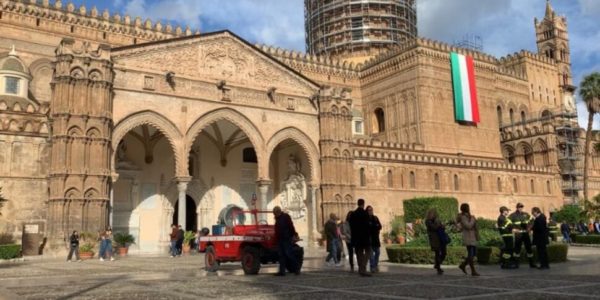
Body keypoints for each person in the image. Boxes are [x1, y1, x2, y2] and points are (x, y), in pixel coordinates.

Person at [273, 206, 300, 276]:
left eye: (275, 213)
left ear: (277, 212)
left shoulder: (285, 217)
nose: (274, 215)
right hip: (280, 239)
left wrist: (294, 234)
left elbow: (291, 226)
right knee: (281, 256)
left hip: (286, 238)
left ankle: (297, 268)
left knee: (289, 254)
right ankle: (282, 271)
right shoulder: (277, 218)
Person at [349, 199, 372, 277]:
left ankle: (361, 269)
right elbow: (368, 226)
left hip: (356, 237)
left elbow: (351, 225)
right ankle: (363, 267)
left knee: (359, 253)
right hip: (364, 237)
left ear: (357, 203)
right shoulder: (365, 213)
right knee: (369, 251)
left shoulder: (353, 214)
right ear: (363, 204)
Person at [509, 203, 536, 268]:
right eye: (519, 207)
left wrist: (530, 228)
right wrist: (512, 229)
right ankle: (516, 264)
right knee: (517, 249)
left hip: (526, 234)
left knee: (529, 248)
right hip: (518, 234)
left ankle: (531, 264)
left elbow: (532, 221)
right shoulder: (512, 215)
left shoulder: (526, 214)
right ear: (517, 207)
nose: (521, 208)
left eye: (521, 207)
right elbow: (508, 224)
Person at [456, 203, 480, 276]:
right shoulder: (463, 217)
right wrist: (473, 219)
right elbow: (468, 226)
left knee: (474, 253)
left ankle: (463, 265)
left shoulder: (468, 216)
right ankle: (473, 271)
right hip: (468, 237)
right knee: (471, 254)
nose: (468, 208)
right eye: (467, 207)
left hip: (472, 237)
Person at [425, 208, 447, 275]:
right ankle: (438, 268)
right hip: (434, 239)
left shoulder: (437, 220)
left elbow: (440, 227)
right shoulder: (428, 221)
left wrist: (442, 226)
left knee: (444, 252)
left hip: (440, 238)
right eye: (433, 213)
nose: (434, 215)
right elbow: (434, 228)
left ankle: (437, 265)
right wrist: (440, 225)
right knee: (437, 253)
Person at [367, 205, 382, 273]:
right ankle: (372, 266)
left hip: (376, 239)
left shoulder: (375, 218)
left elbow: (380, 226)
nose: (370, 211)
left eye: (371, 210)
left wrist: (374, 226)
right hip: (369, 239)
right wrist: (375, 226)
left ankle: (375, 265)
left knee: (378, 252)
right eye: (369, 210)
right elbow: (368, 228)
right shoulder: (366, 219)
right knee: (371, 254)